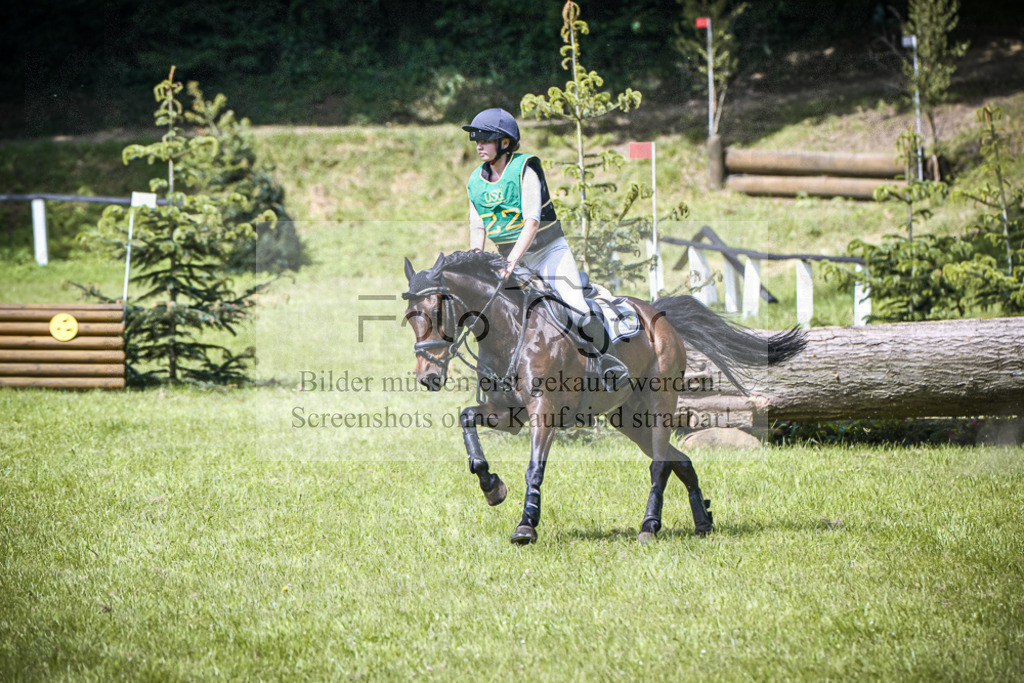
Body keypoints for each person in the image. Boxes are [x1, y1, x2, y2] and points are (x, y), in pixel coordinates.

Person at [462, 107, 627, 387]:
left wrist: (512, 262)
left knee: (577, 310)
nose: (479, 145)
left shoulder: (525, 170)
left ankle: (609, 363)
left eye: (485, 138)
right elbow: (478, 227)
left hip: (548, 253)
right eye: (476, 138)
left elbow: (532, 222)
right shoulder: (475, 182)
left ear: (504, 142)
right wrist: (477, 261)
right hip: (510, 260)